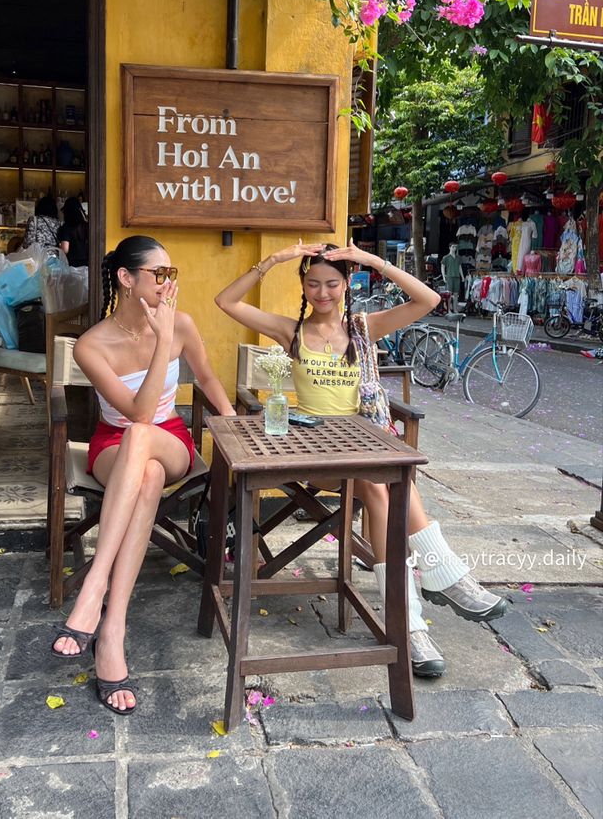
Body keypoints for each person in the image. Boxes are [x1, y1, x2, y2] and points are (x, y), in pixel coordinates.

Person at [215, 240, 507, 678]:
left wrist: (374, 261)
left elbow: (428, 300)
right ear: (303, 285)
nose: (322, 292)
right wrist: (274, 260)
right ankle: (441, 582)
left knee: (385, 479)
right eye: (312, 283)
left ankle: (409, 623)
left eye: (332, 283)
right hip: (313, 452)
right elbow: (226, 301)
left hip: (364, 442)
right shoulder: (290, 331)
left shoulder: (365, 328)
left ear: (347, 283)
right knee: (383, 477)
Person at [51, 235, 235, 713]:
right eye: (160, 274)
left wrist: (233, 424)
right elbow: (135, 412)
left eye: (172, 274)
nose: (168, 284)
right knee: (144, 469)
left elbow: (207, 381)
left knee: (147, 447)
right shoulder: (91, 345)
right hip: (115, 446)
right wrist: (159, 345)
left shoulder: (182, 325)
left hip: (171, 439)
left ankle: (93, 590)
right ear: (127, 279)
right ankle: (112, 631)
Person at [57, 197, 89, 267]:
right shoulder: (87, 226)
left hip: (71, 265)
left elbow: (65, 249)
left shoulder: (66, 227)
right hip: (87, 264)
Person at [441, 243, 464, 313]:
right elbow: (443, 267)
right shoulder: (446, 257)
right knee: (449, 294)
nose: (454, 248)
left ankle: (455, 309)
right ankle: (448, 309)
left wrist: (462, 276)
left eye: (455, 247)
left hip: (457, 277)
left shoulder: (458, 258)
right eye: (453, 247)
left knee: (456, 294)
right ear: (450, 247)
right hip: (449, 277)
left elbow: (460, 267)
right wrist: (443, 276)